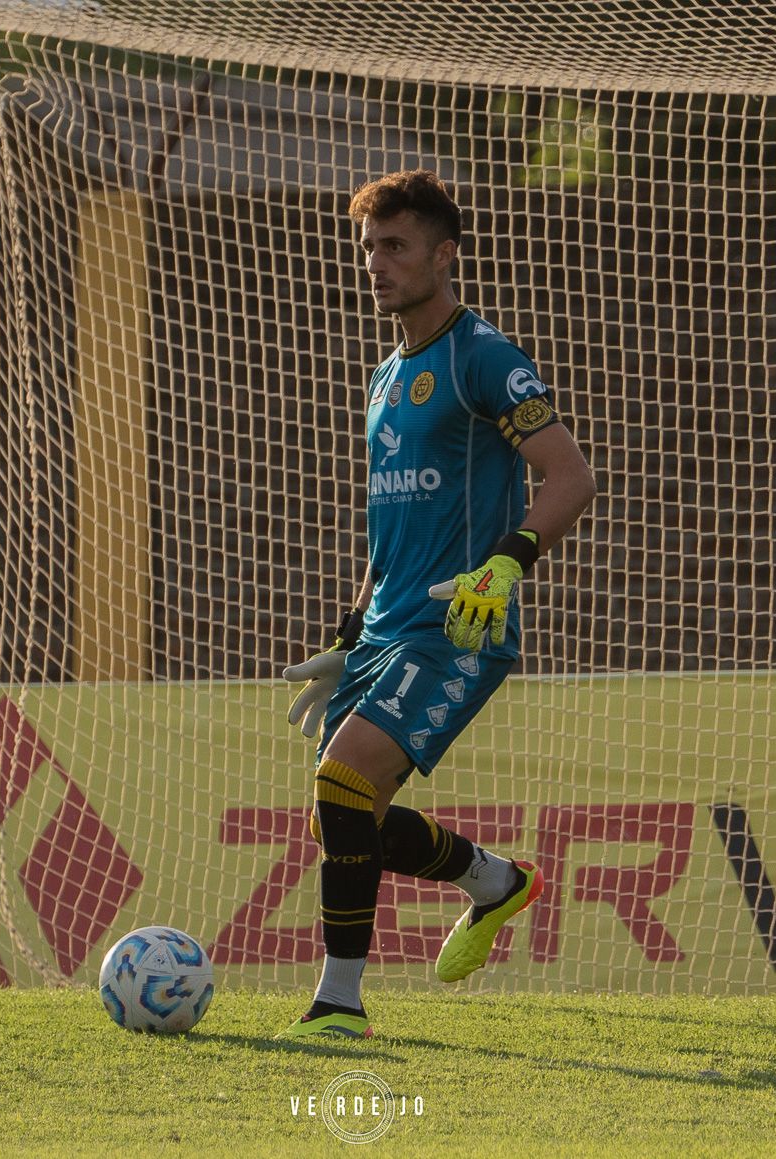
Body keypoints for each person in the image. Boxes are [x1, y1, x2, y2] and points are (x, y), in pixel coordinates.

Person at [277, 170, 599, 1040]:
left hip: (459, 627)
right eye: (369, 248)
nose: (376, 264)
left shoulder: (483, 356)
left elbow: (570, 476)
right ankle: (494, 881)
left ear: (443, 254)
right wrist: (351, 635)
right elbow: (391, 532)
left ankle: (337, 1004)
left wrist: (506, 565)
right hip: (385, 631)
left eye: (396, 246)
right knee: (347, 815)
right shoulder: (385, 377)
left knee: (343, 780)